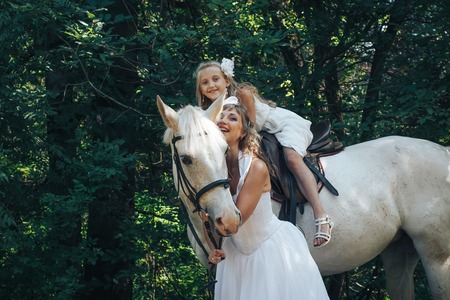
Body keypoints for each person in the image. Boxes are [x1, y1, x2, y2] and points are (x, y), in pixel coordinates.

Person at [195, 58, 333, 248]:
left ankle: (321, 215)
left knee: (292, 158)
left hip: (283, 126)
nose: (211, 85)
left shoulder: (242, 96)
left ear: (227, 80)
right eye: (205, 82)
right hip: (263, 134)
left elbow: (249, 129)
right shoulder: (210, 113)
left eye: (215, 79)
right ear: (201, 89)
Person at [203, 99, 329, 299]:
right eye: (220, 117)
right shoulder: (213, 170)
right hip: (234, 259)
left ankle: (322, 216)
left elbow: (234, 222)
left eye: (232, 118)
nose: (223, 120)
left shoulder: (256, 168)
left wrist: (205, 212)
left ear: (243, 132)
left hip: (268, 255)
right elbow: (209, 220)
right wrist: (212, 248)